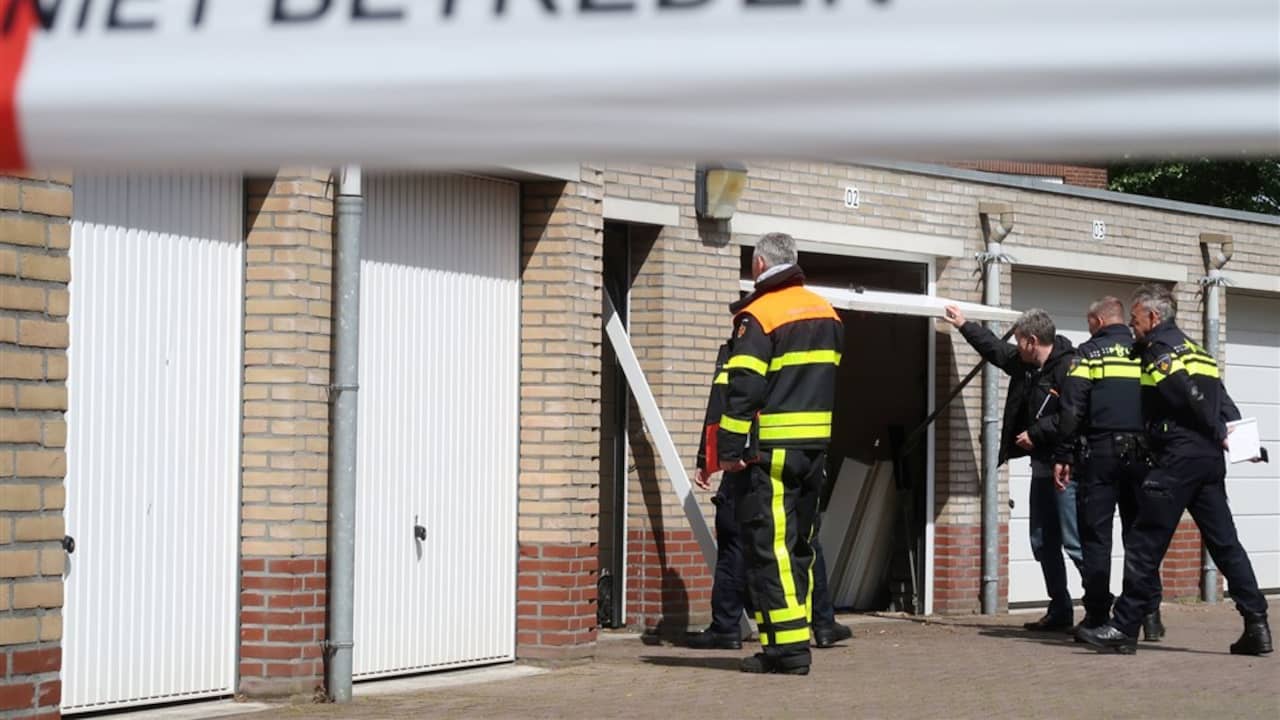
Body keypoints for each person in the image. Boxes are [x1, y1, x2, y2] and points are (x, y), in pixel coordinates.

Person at [1078, 284, 1272, 655]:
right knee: (1226, 545)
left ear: (1153, 317)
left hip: (1175, 460)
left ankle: (1122, 628)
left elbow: (1185, 393)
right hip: (1208, 464)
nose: (1132, 327)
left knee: (1143, 544)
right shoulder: (1199, 352)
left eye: (1135, 320)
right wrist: (1243, 442)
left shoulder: (1159, 350)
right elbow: (1223, 402)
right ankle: (1257, 624)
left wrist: (1218, 431)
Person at [712, 232, 843, 675]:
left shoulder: (759, 314)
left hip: (773, 451)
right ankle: (781, 645)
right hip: (815, 450)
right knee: (799, 548)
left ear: (759, 263)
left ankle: (788, 652)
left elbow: (743, 388)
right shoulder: (827, 312)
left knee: (771, 550)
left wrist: (728, 450)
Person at [690, 340, 852, 650]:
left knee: (736, 541)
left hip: (751, 459)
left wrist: (708, 459)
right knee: (804, 541)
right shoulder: (802, 349)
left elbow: (722, 407)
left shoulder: (741, 350)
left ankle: (726, 626)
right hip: (802, 457)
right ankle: (822, 622)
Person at [944, 305, 1082, 631]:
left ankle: (1100, 611)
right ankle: (1060, 610)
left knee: (1075, 542)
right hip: (1041, 470)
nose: (1016, 347)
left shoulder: (1069, 368)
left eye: (1019, 341)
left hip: (1066, 469)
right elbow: (996, 350)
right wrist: (963, 324)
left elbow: (1072, 415)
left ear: (1032, 341)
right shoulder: (1027, 365)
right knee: (1041, 540)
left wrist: (1036, 432)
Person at [1050, 297, 1164, 641]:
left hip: (1100, 456)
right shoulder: (1145, 351)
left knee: (1096, 538)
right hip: (1143, 457)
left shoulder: (1087, 354)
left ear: (1098, 321)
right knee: (1138, 538)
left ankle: (1098, 615)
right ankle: (1150, 613)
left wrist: (1063, 454)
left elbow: (1072, 409)